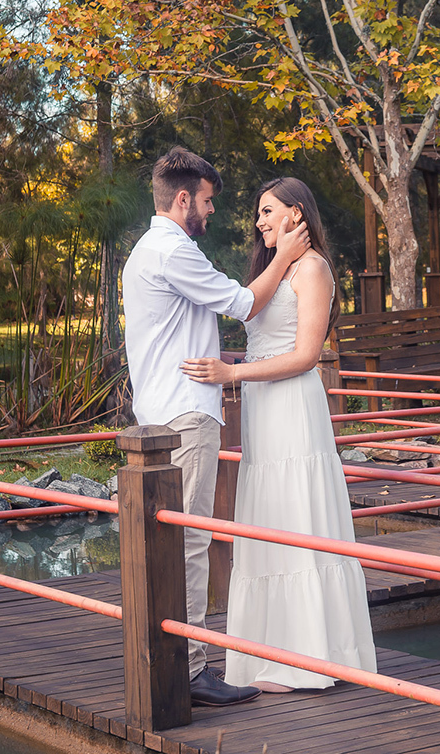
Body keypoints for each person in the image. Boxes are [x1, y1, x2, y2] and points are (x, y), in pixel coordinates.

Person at [122, 148, 311, 708]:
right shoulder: (174, 250)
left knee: (167, 539)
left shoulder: (145, 250)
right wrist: (288, 255)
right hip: (186, 414)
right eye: (206, 201)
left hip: (158, 414)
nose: (210, 212)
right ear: (183, 199)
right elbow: (243, 302)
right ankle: (194, 668)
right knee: (192, 540)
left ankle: (167, 660)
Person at [182, 177, 377, 692]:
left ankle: (309, 656)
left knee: (296, 515)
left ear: (297, 213)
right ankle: (268, 654)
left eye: (268, 211)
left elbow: (306, 355)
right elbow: (258, 335)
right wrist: (229, 365)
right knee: (267, 518)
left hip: (293, 407)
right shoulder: (273, 270)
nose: (259, 221)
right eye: (258, 213)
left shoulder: (312, 269)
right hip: (263, 412)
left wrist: (233, 376)